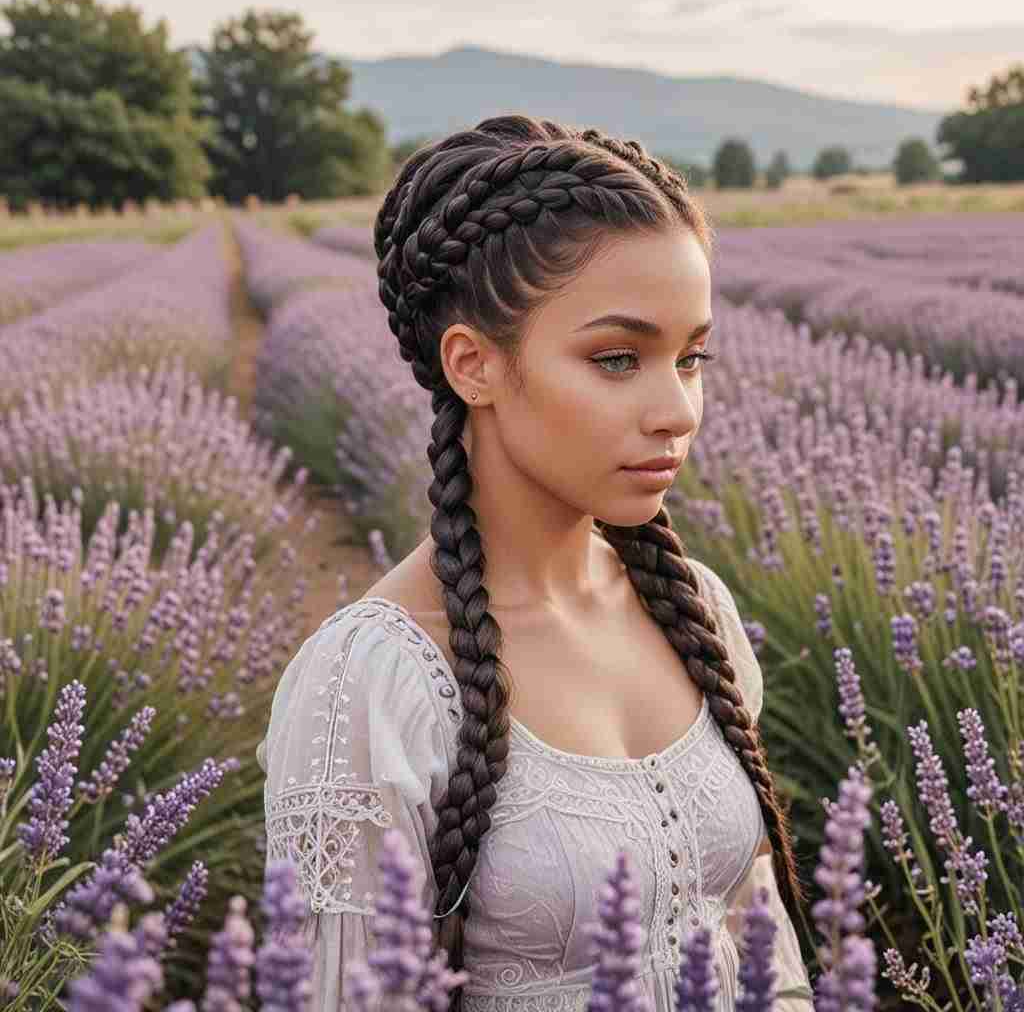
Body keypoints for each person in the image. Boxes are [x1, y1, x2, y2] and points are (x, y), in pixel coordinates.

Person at [258, 115, 815, 1012]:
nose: (676, 410)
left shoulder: (694, 607)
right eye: (618, 358)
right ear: (473, 365)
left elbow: (760, 942)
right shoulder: (372, 681)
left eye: (692, 357)